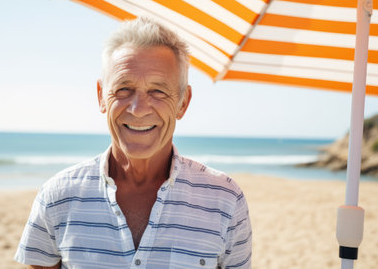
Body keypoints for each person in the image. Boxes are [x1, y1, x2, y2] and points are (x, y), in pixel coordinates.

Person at [15, 17, 252, 268]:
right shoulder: (56, 196)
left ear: (183, 102)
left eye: (158, 91)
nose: (138, 110)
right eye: (123, 89)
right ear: (101, 97)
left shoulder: (226, 199)